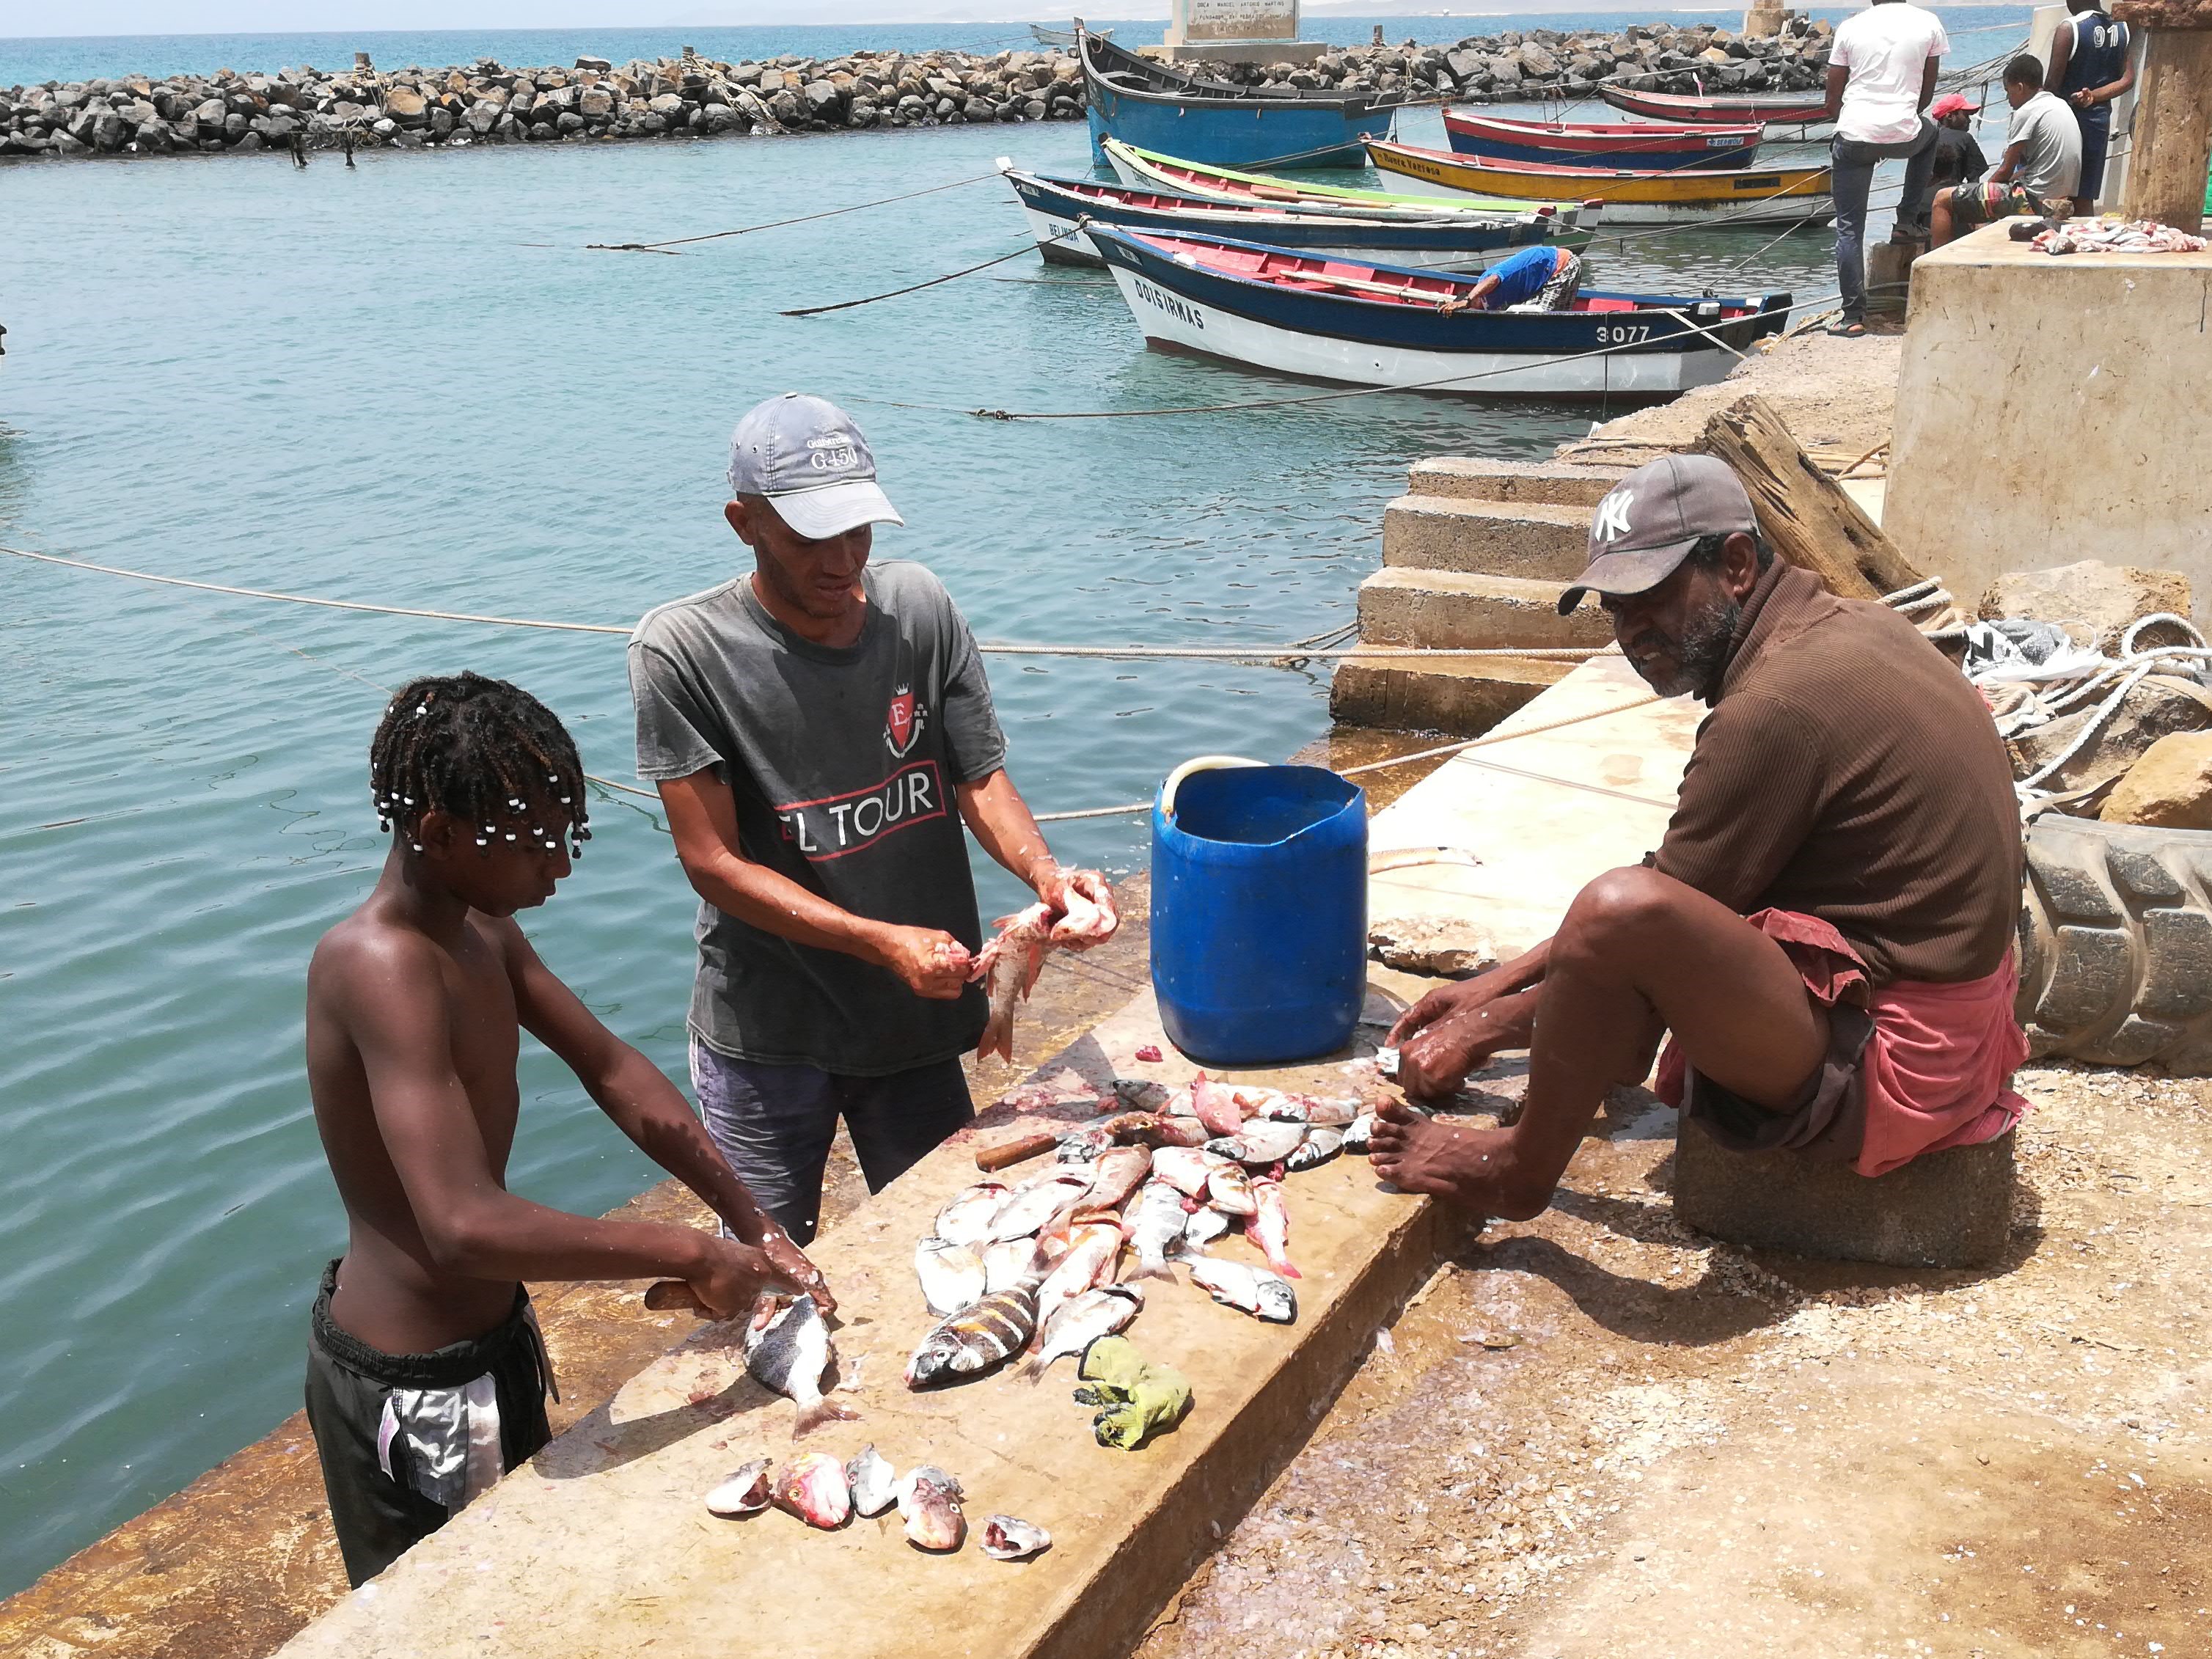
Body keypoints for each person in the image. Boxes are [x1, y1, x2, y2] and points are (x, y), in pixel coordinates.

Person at [1370, 455, 2029, 1220]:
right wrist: (1491, 991)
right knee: (1629, 911)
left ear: (1737, 564)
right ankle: (1533, 1055)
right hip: (1959, 1026)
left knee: (1620, 907)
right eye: (1613, 609)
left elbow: (1642, 925)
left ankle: (1517, 1173)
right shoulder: (1850, 627)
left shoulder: (1776, 708)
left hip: (1901, 1067)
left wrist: (1488, 1021)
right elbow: (1685, 886)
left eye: (1651, 597)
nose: (1630, 632)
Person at [303, 672, 828, 1588]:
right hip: (414, 1382)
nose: (559, 864)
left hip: (494, 1341)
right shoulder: (379, 964)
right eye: (536, 841)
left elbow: (614, 1070)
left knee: (526, 1584)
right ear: (436, 832)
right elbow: (460, 1226)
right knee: (451, 1613)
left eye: (566, 832)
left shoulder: (483, 933)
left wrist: (748, 1217)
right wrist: (689, 1252)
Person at [628, 392, 1116, 1248]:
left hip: (914, 1027)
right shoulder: (682, 651)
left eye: (857, 531)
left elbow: (979, 780)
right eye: (810, 536)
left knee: (946, 1245)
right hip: (770, 1035)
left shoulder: (919, 609)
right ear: (744, 523)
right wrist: (878, 941)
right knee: (769, 1268)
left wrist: (1046, 875)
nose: (842, 561)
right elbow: (710, 862)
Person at [1823, 0, 1949, 337]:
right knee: (1932, 132)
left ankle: (1852, 318)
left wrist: (1858, 130)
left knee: (1849, 229)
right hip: (1904, 132)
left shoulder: (1851, 26)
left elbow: (1831, 98)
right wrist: (1893, 130)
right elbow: (1926, 92)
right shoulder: (1929, 23)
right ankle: (1906, 221)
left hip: (1853, 136)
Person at [1930, 55, 2082, 246]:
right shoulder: (2060, 105)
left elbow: (2005, 170)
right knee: (1985, 197)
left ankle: (1936, 264)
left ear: (2020, 87)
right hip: (2061, 196)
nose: (2007, 99)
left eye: (2008, 92)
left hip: (2034, 199)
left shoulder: (2027, 111)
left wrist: (1983, 194)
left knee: (1942, 199)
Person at [2046, 0, 2134, 213]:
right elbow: (2127, 79)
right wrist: (2094, 96)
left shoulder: (2069, 28)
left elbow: (2051, 87)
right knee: (2085, 195)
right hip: (2098, 121)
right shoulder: (2122, 28)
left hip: (2066, 122)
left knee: (2056, 193)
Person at [1452, 243, 1583, 312]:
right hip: (1542, 277)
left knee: (1545, 312)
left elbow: (1494, 279)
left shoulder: (1484, 282)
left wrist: (1468, 301)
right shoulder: (1490, 306)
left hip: (1561, 265)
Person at [1927, 92, 1990, 199]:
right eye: (1966, 115)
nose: (1969, 120)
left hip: (1925, 199)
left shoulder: (1928, 138)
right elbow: (1973, 182)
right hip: (1950, 197)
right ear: (1950, 116)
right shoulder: (1965, 138)